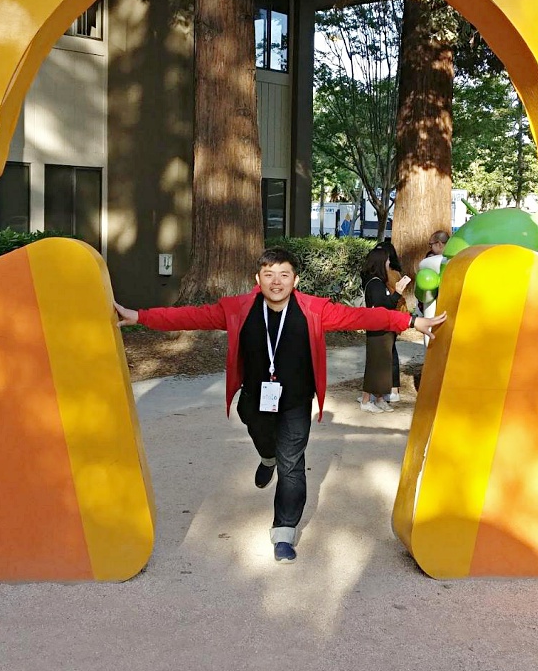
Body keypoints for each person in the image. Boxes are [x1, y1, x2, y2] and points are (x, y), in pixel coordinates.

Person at [114, 247, 444, 564]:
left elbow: (361, 316)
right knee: (255, 425)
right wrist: (139, 316)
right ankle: (266, 455)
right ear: (257, 279)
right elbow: (190, 316)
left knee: (292, 465)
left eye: (284, 274)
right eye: (269, 274)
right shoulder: (238, 308)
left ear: (295, 280)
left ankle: (283, 532)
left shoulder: (315, 309)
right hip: (254, 398)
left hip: (296, 402)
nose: (276, 281)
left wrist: (412, 323)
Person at [358, 244, 412, 412]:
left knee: (383, 364)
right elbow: (383, 305)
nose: (389, 263)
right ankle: (366, 400)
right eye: (387, 260)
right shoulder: (375, 284)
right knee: (375, 364)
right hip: (377, 330)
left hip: (384, 329)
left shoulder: (379, 282)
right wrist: (397, 292)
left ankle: (380, 398)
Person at [373, 237, 409, 402]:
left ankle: (391, 389)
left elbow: (394, 297)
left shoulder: (390, 274)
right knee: (389, 353)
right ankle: (390, 390)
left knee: (389, 354)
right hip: (393, 316)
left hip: (391, 316)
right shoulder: (393, 272)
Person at [416, 230, 450, 315]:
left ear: (439, 244)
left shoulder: (429, 262)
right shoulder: (458, 259)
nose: (430, 248)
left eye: (430, 245)